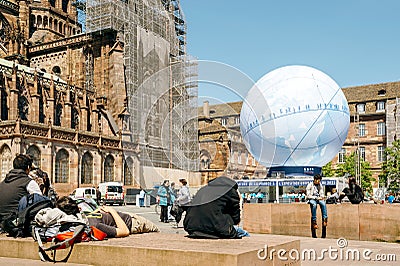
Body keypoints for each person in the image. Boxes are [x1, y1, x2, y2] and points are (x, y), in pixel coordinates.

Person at [56, 196, 159, 238]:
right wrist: (112, 211)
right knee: (157, 232)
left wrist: (96, 211)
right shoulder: (95, 225)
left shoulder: (82, 219)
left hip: (130, 218)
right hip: (134, 222)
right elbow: (124, 231)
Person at [183, 175, 248, 239]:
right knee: (245, 234)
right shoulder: (230, 191)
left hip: (192, 227)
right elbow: (236, 216)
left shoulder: (203, 189)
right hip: (215, 229)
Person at [0, 154, 42, 223]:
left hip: (2, 221)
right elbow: (41, 202)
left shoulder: (3, 182)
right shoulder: (28, 182)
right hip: (15, 222)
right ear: (28, 167)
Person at [306, 174, 328, 238]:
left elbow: (321, 193)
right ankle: (314, 222)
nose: (319, 182)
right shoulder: (309, 185)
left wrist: (322, 197)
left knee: (323, 204)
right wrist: (316, 198)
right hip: (311, 199)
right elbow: (308, 196)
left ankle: (325, 220)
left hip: (318, 199)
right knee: (314, 205)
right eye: (318, 180)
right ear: (315, 180)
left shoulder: (320, 185)